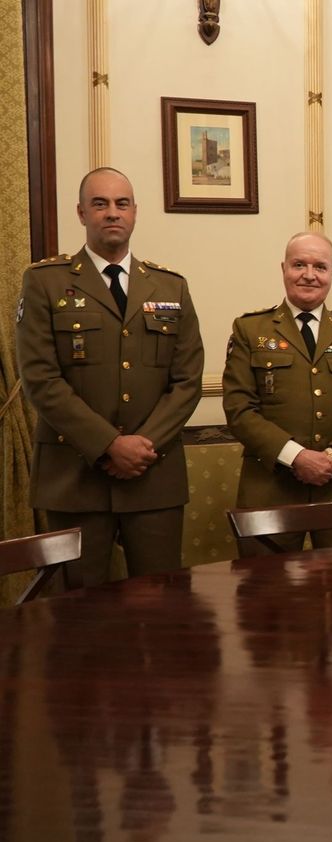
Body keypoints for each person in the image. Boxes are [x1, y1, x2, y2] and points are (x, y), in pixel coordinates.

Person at [16, 167, 203, 587]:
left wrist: (142, 446)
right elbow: (41, 379)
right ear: (81, 213)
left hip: (153, 476)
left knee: (161, 602)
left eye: (122, 203)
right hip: (74, 478)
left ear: (135, 212)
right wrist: (108, 445)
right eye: (100, 204)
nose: (112, 213)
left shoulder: (170, 287)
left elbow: (188, 380)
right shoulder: (45, 282)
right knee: (77, 608)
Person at [221, 233, 332, 552]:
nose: (309, 275)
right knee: (268, 582)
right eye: (299, 265)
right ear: (284, 268)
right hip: (271, 490)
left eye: (320, 267)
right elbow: (239, 410)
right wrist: (296, 457)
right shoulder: (250, 330)